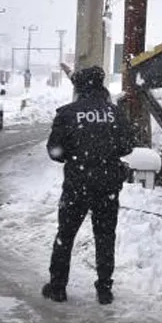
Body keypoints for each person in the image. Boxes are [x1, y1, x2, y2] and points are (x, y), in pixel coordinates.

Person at [41, 66, 135, 305]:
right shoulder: (115, 113)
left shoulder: (68, 114)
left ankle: (58, 287)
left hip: (77, 185)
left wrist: (74, 157)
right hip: (108, 185)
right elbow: (127, 146)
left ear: (79, 88)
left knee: (66, 235)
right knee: (105, 236)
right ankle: (104, 289)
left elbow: (54, 151)